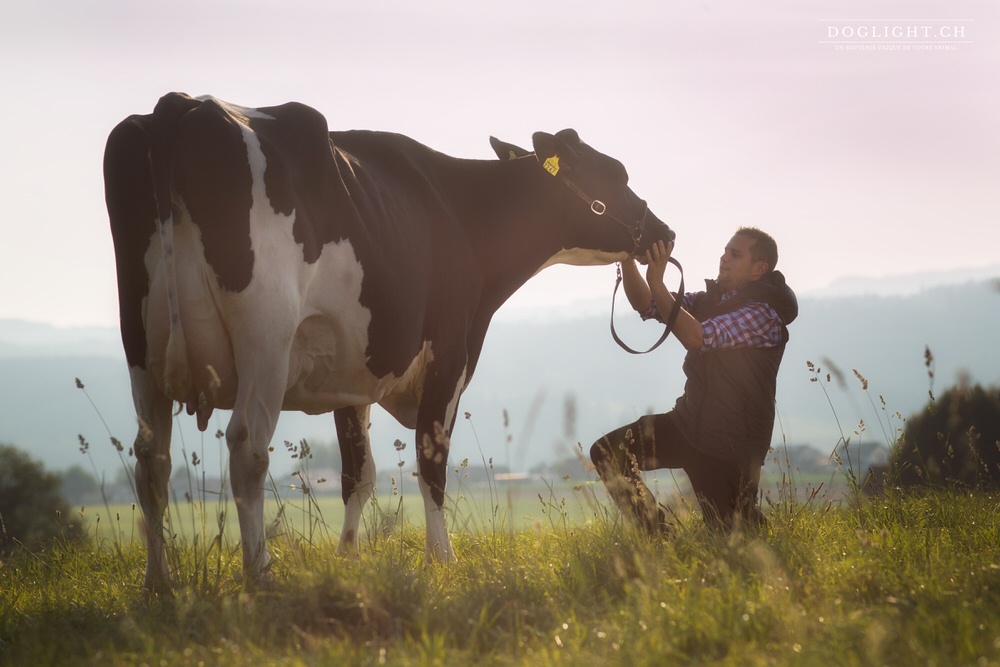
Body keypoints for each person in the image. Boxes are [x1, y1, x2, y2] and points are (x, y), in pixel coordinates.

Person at [590, 227, 798, 533]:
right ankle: (655, 533)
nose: (724, 258)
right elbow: (646, 303)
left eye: (735, 254)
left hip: (728, 446)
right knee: (607, 453)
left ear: (759, 269)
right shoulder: (707, 300)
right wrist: (627, 259)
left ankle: (762, 531)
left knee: (732, 533)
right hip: (687, 426)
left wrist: (658, 282)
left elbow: (697, 338)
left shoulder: (763, 315)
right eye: (725, 250)